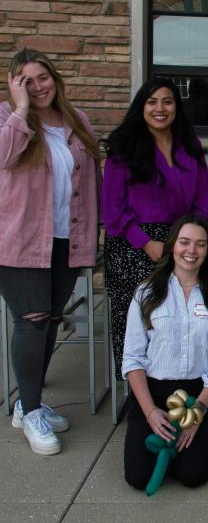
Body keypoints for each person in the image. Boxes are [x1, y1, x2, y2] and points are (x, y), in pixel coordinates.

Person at [0, 48, 100, 455]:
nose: (37, 87)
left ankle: (29, 403)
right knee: (32, 320)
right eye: (26, 80)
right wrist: (21, 109)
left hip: (68, 239)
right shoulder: (9, 119)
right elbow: (4, 156)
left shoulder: (77, 121)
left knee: (53, 319)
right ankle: (31, 410)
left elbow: (92, 180)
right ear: (14, 84)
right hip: (21, 241)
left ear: (55, 79)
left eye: (42, 77)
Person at [102, 78, 208, 378]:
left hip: (183, 239)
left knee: (189, 308)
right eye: (152, 102)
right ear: (142, 106)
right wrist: (147, 243)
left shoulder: (191, 147)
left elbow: (202, 203)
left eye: (167, 101)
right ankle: (136, 388)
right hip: (133, 242)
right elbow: (113, 210)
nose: (160, 109)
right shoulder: (123, 147)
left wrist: (190, 242)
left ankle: (180, 380)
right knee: (142, 312)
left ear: (177, 106)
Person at [122, 215, 208, 489]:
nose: (191, 251)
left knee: (193, 476)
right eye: (184, 242)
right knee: (137, 478)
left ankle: (186, 447)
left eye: (200, 244)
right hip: (154, 393)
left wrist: (196, 415)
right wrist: (150, 412)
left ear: (207, 250)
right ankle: (162, 440)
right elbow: (133, 359)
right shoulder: (146, 292)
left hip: (200, 395)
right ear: (172, 246)